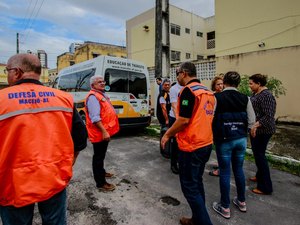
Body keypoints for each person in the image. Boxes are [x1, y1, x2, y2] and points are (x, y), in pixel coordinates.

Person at [0, 53, 87, 225]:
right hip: (54, 179)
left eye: (7, 70)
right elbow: (80, 138)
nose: (7, 74)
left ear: (17, 72)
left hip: (12, 185)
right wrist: (68, 164)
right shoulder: (63, 98)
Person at [161, 62, 215, 225]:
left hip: (192, 146)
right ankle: (197, 219)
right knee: (197, 182)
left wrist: (167, 134)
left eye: (177, 73)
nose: (176, 77)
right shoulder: (208, 92)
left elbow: (183, 120)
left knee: (189, 187)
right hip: (205, 144)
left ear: (184, 73)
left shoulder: (188, 91)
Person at [211, 71, 256, 219]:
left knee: (224, 172)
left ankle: (224, 207)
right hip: (240, 139)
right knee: (239, 170)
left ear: (224, 82)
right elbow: (251, 121)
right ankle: (241, 201)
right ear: (238, 83)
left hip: (224, 139)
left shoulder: (216, 97)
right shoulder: (246, 98)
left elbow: (210, 117)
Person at [85, 75, 120, 192]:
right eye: (99, 82)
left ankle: (102, 172)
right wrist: (104, 132)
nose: (102, 83)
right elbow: (95, 118)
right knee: (98, 157)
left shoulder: (100, 95)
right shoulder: (93, 97)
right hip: (99, 133)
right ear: (92, 85)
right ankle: (100, 183)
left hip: (103, 132)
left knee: (101, 155)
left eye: (103, 81)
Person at [249, 74, 276, 195]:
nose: (250, 86)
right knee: (258, 154)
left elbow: (269, 116)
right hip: (257, 130)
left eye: (251, 83)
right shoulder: (256, 94)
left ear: (259, 83)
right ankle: (259, 176)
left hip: (263, 131)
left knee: (260, 157)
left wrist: (255, 125)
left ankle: (265, 187)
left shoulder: (267, 96)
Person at [208, 75, 224, 177]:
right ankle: (220, 165)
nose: (220, 86)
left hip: (222, 125)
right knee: (218, 146)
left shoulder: (224, 96)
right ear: (214, 86)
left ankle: (220, 169)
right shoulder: (213, 96)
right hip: (215, 124)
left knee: (221, 147)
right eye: (218, 84)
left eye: (222, 84)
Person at [168, 78, 183, 174]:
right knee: (175, 142)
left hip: (184, 118)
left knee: (183, 141)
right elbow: (174, 106)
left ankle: (181, 162)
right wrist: (178, 121)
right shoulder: (174, 89)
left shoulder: (188, 87)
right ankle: (173, 164)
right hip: (175, 118)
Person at [156, 78, 171, 158]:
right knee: (164, 133)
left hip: (166, 117)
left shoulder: (168, 93)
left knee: (165, 133)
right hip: (163, 118)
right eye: (165, 85)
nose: (167, 86)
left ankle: (166, 149)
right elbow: (163, 108)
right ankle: (164, 151)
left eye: (168, 85)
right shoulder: (162, 94)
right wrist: (167, 119)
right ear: (162, 85)